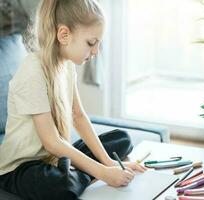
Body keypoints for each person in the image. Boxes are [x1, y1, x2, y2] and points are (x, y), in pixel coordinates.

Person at [0, 0, 146, 199]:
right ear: (64, 35)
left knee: (121, 140)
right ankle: (77, 174)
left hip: (53, 158)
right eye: (91, 43)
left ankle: (77, 172)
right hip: (21, 168)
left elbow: (78, 115)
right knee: (63, 185)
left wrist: (108, 162)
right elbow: (51, 142)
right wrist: (103, 173)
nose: (95, 51)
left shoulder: (66, 66)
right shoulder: (32, 72)